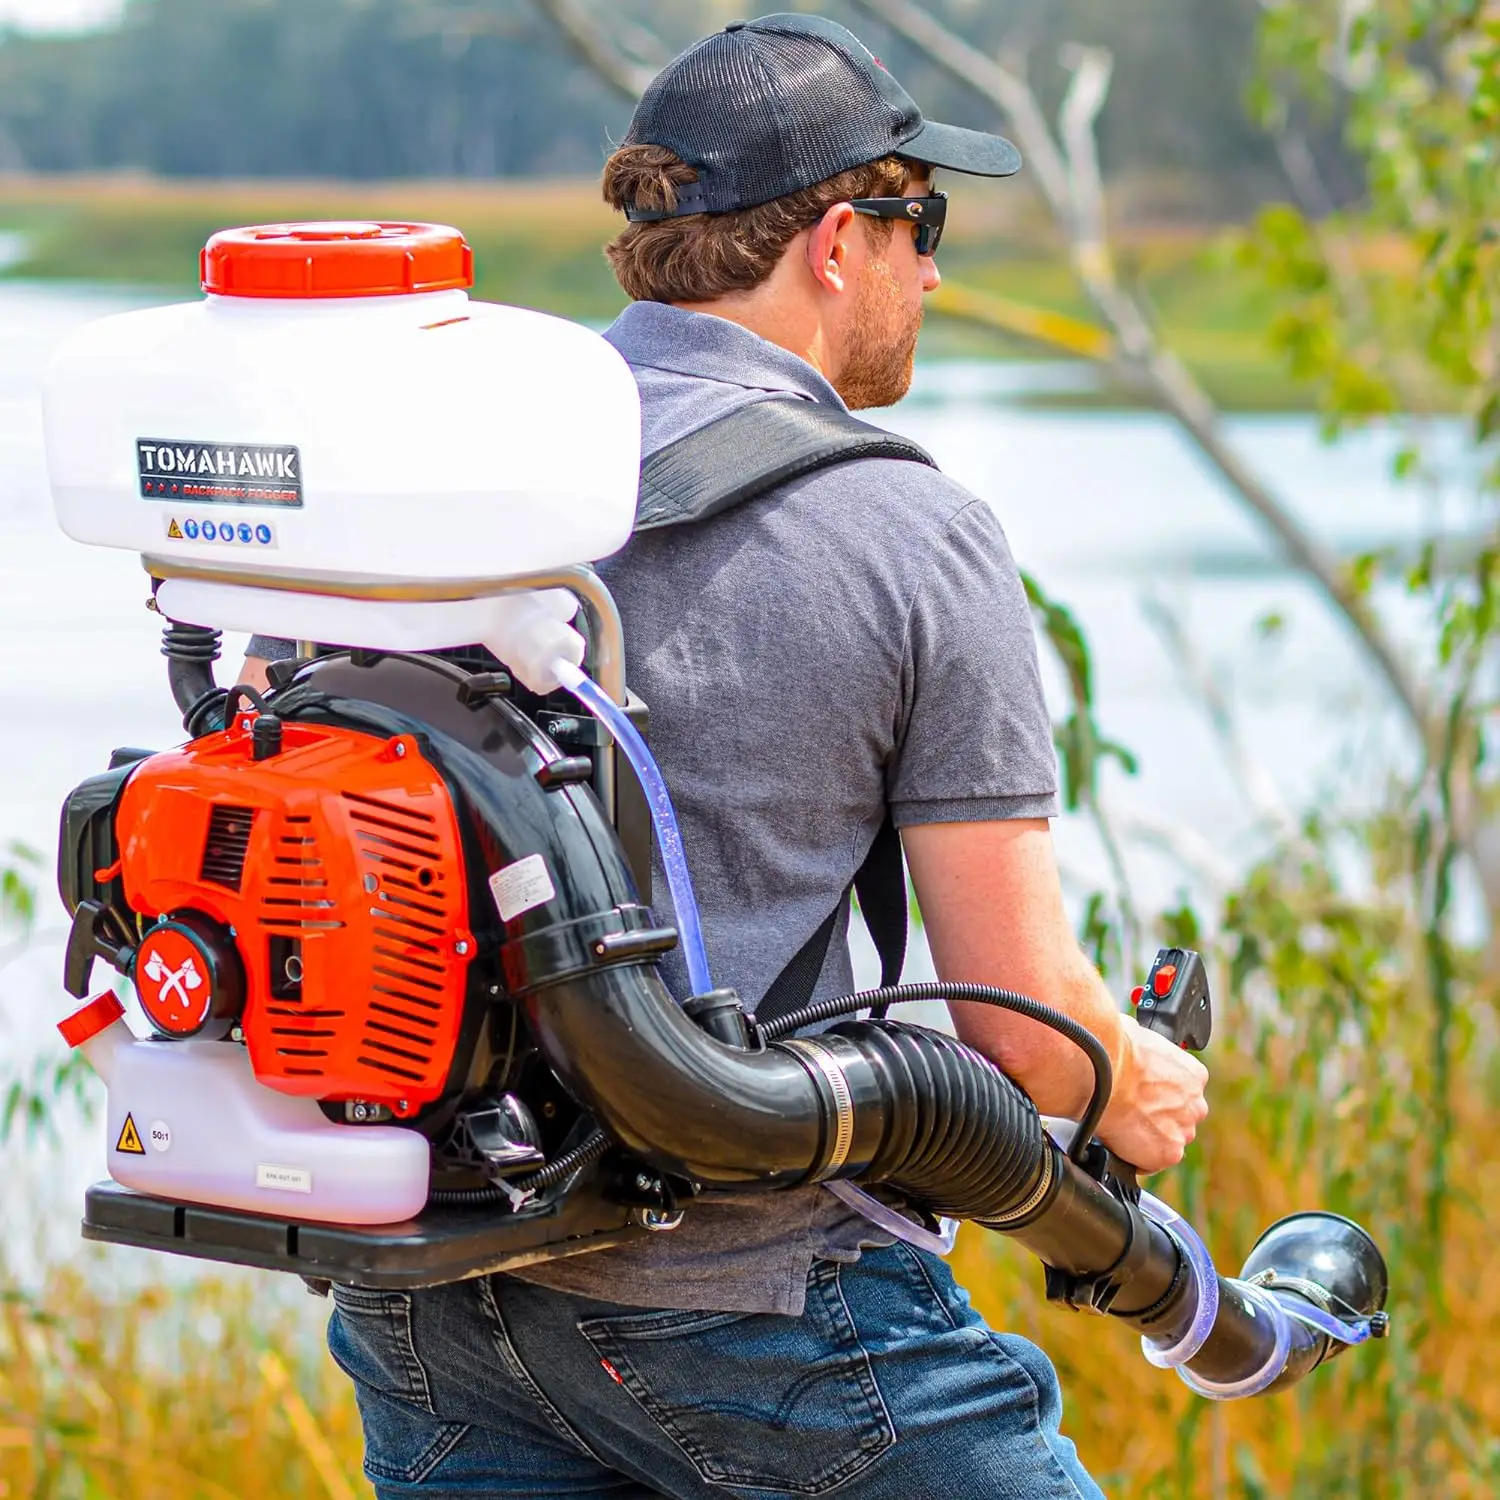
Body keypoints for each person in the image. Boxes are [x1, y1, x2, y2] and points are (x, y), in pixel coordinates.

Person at [245, 14, 1208, 1497]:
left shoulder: (454, 478)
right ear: (836, 241)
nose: (935, 271)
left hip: (435, 1300)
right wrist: (1135, 1080)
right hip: (773, 1316)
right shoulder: (909, 533)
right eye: (920, 223)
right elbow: (1023, 1034)